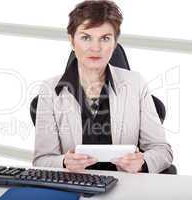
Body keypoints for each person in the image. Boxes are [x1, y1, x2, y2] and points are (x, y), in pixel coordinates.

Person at [33, 0, 173, 173]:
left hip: (125, 186)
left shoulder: (136, 84)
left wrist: (142, 163)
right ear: (71, 41)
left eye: (105, 38)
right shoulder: (49, 90)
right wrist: (64, 162)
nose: (95, 47)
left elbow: (162, 150)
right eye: (86, 37)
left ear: (115, 43)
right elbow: (42, 160)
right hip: (75, 186)